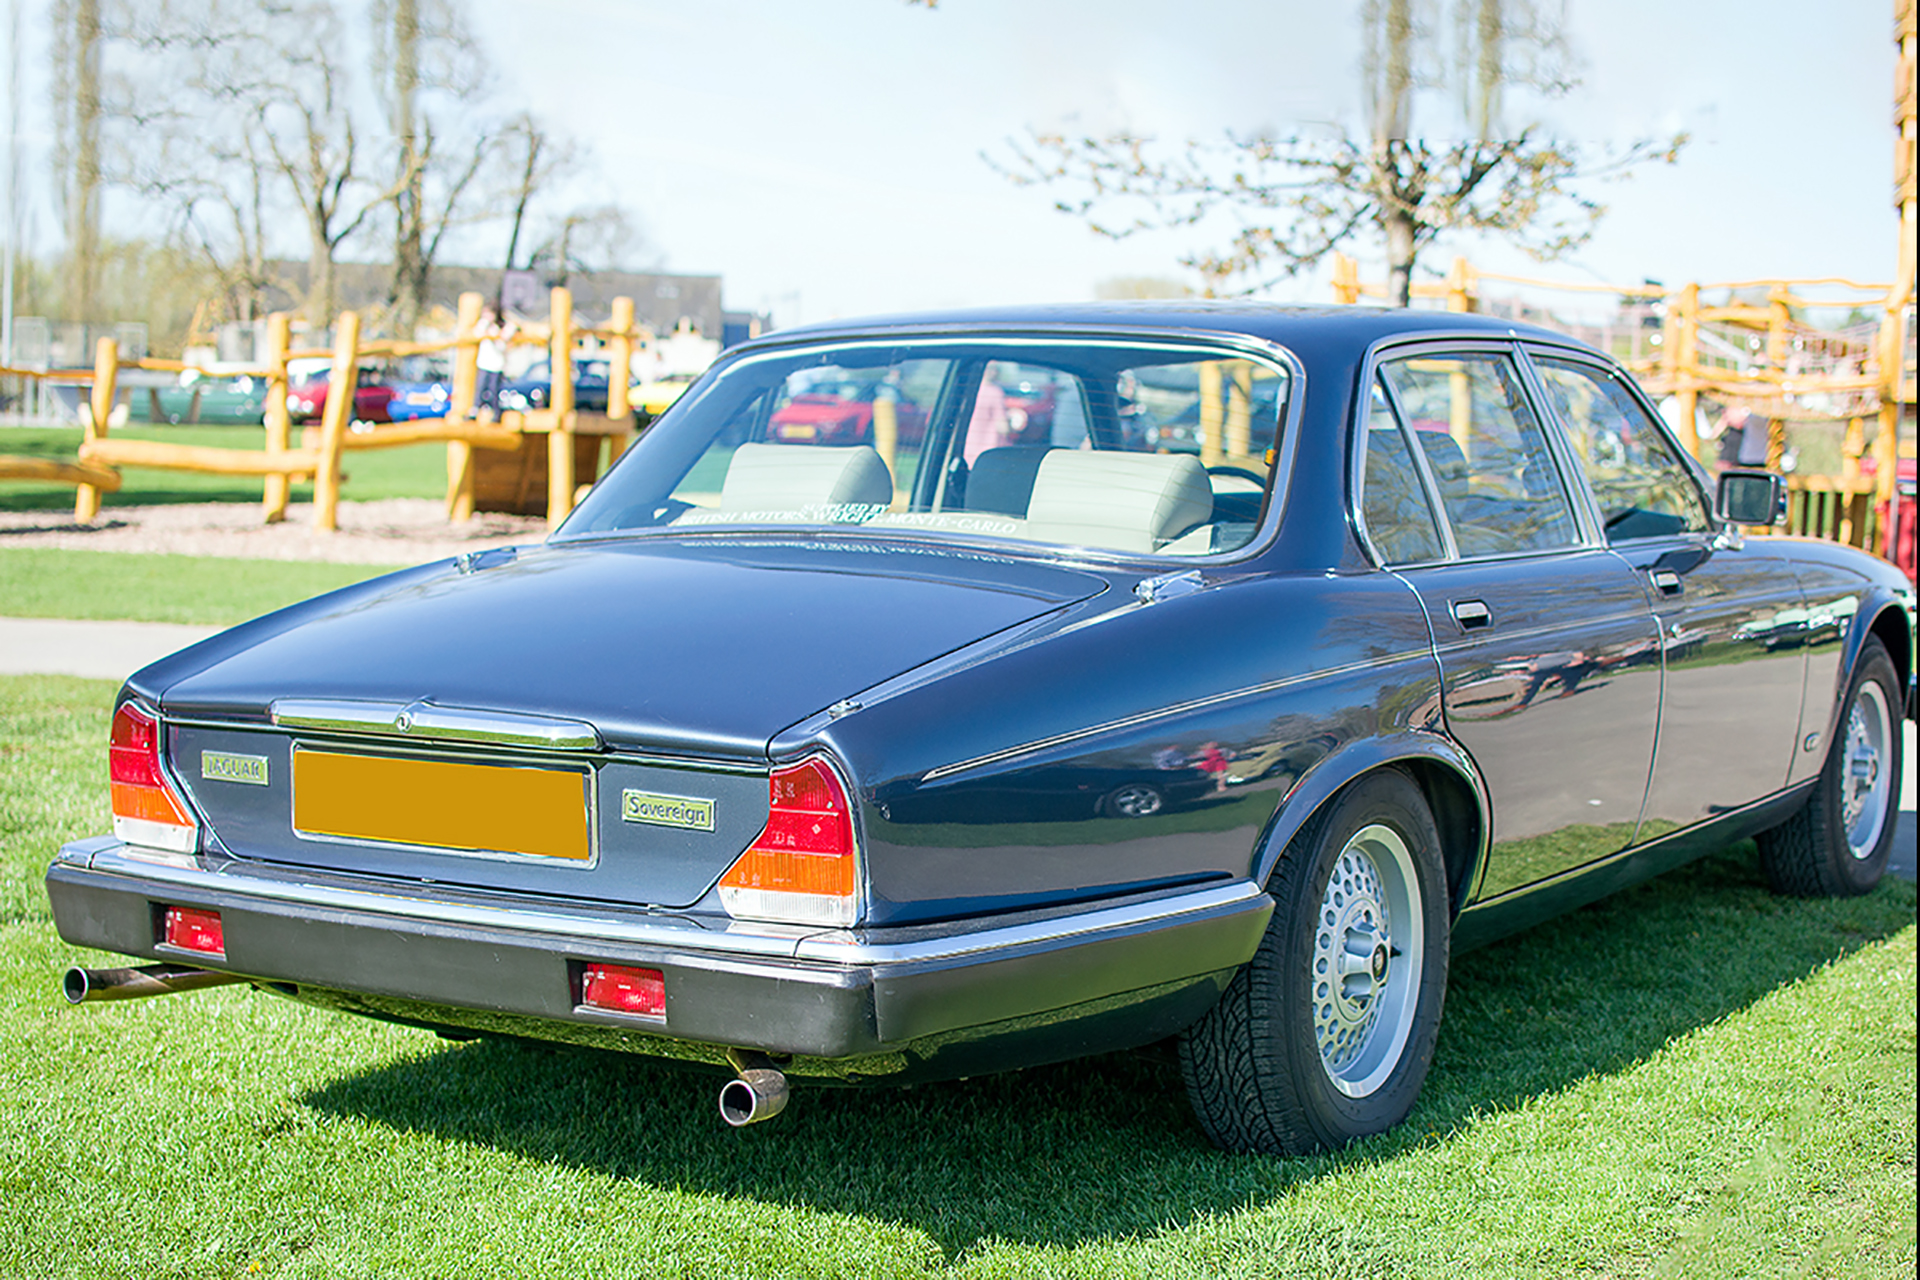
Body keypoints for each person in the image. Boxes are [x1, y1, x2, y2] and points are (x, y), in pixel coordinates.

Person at [473, 301, 515, 420]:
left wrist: (496, 336)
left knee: (493, 391)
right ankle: (475, 411)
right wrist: (485, 324)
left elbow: (502, 344)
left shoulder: (500, 328)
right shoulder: (483, 325)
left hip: (496, 365)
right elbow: (476, 333)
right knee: (480, 389)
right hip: (483, 363)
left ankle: (496, 413)